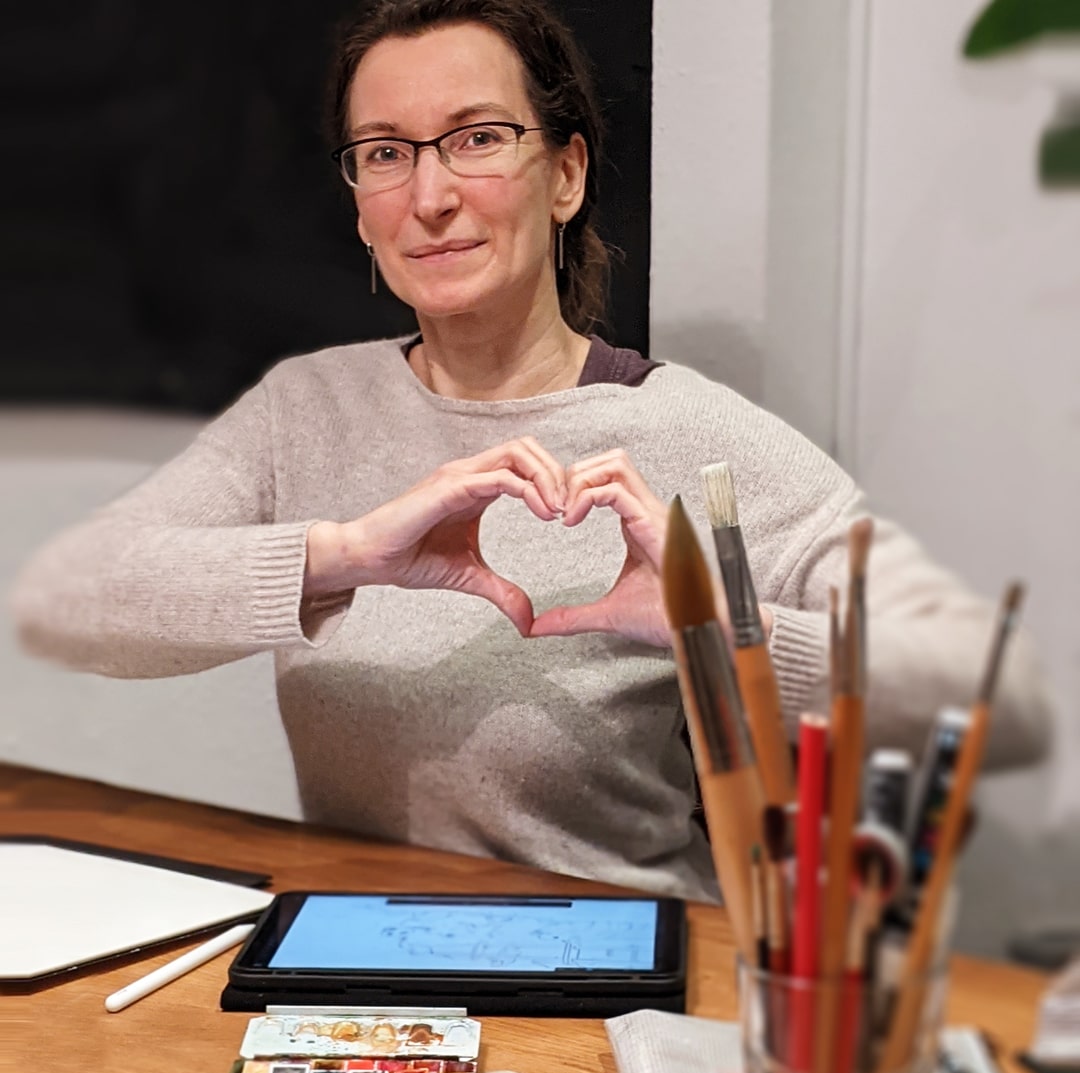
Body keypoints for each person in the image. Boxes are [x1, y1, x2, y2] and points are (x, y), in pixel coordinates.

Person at [11, 0, 1050, 903]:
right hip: (365, 959)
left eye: (477, 138)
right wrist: (344, 556)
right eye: (386, 153)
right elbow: (62, 603)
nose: (429, 196)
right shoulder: (306, 407)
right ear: (361, 206)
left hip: (613, 976)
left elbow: (1002, 699)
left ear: (566, 174)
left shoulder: (692, 436)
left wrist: (718, 628)